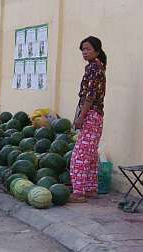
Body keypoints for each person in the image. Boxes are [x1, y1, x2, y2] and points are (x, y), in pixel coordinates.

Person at [70, 36, 107, 203]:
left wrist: (80, 117)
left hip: (90, 114)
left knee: (80, 155)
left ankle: (79, 192)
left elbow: (90, 96)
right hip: (97, 115)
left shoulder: (93, 68)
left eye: (88, 49)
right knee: (90, 154)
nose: (85, 52)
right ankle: (91, 189)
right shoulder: (98, 66)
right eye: (83, 49)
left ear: (97, 51)